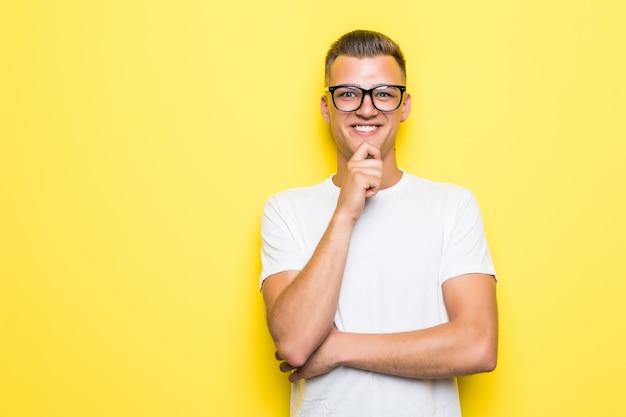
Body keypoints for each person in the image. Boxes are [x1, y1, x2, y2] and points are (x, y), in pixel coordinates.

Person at [259, 29, 498, 417]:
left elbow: (477, 345)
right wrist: (345, 213)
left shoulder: (452, 205)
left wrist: (338, 348)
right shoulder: (285, 210)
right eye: (349, 93)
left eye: (384, 93)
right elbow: (295, 343)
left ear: (404, 107)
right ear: (326, 107)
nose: (367, 109)